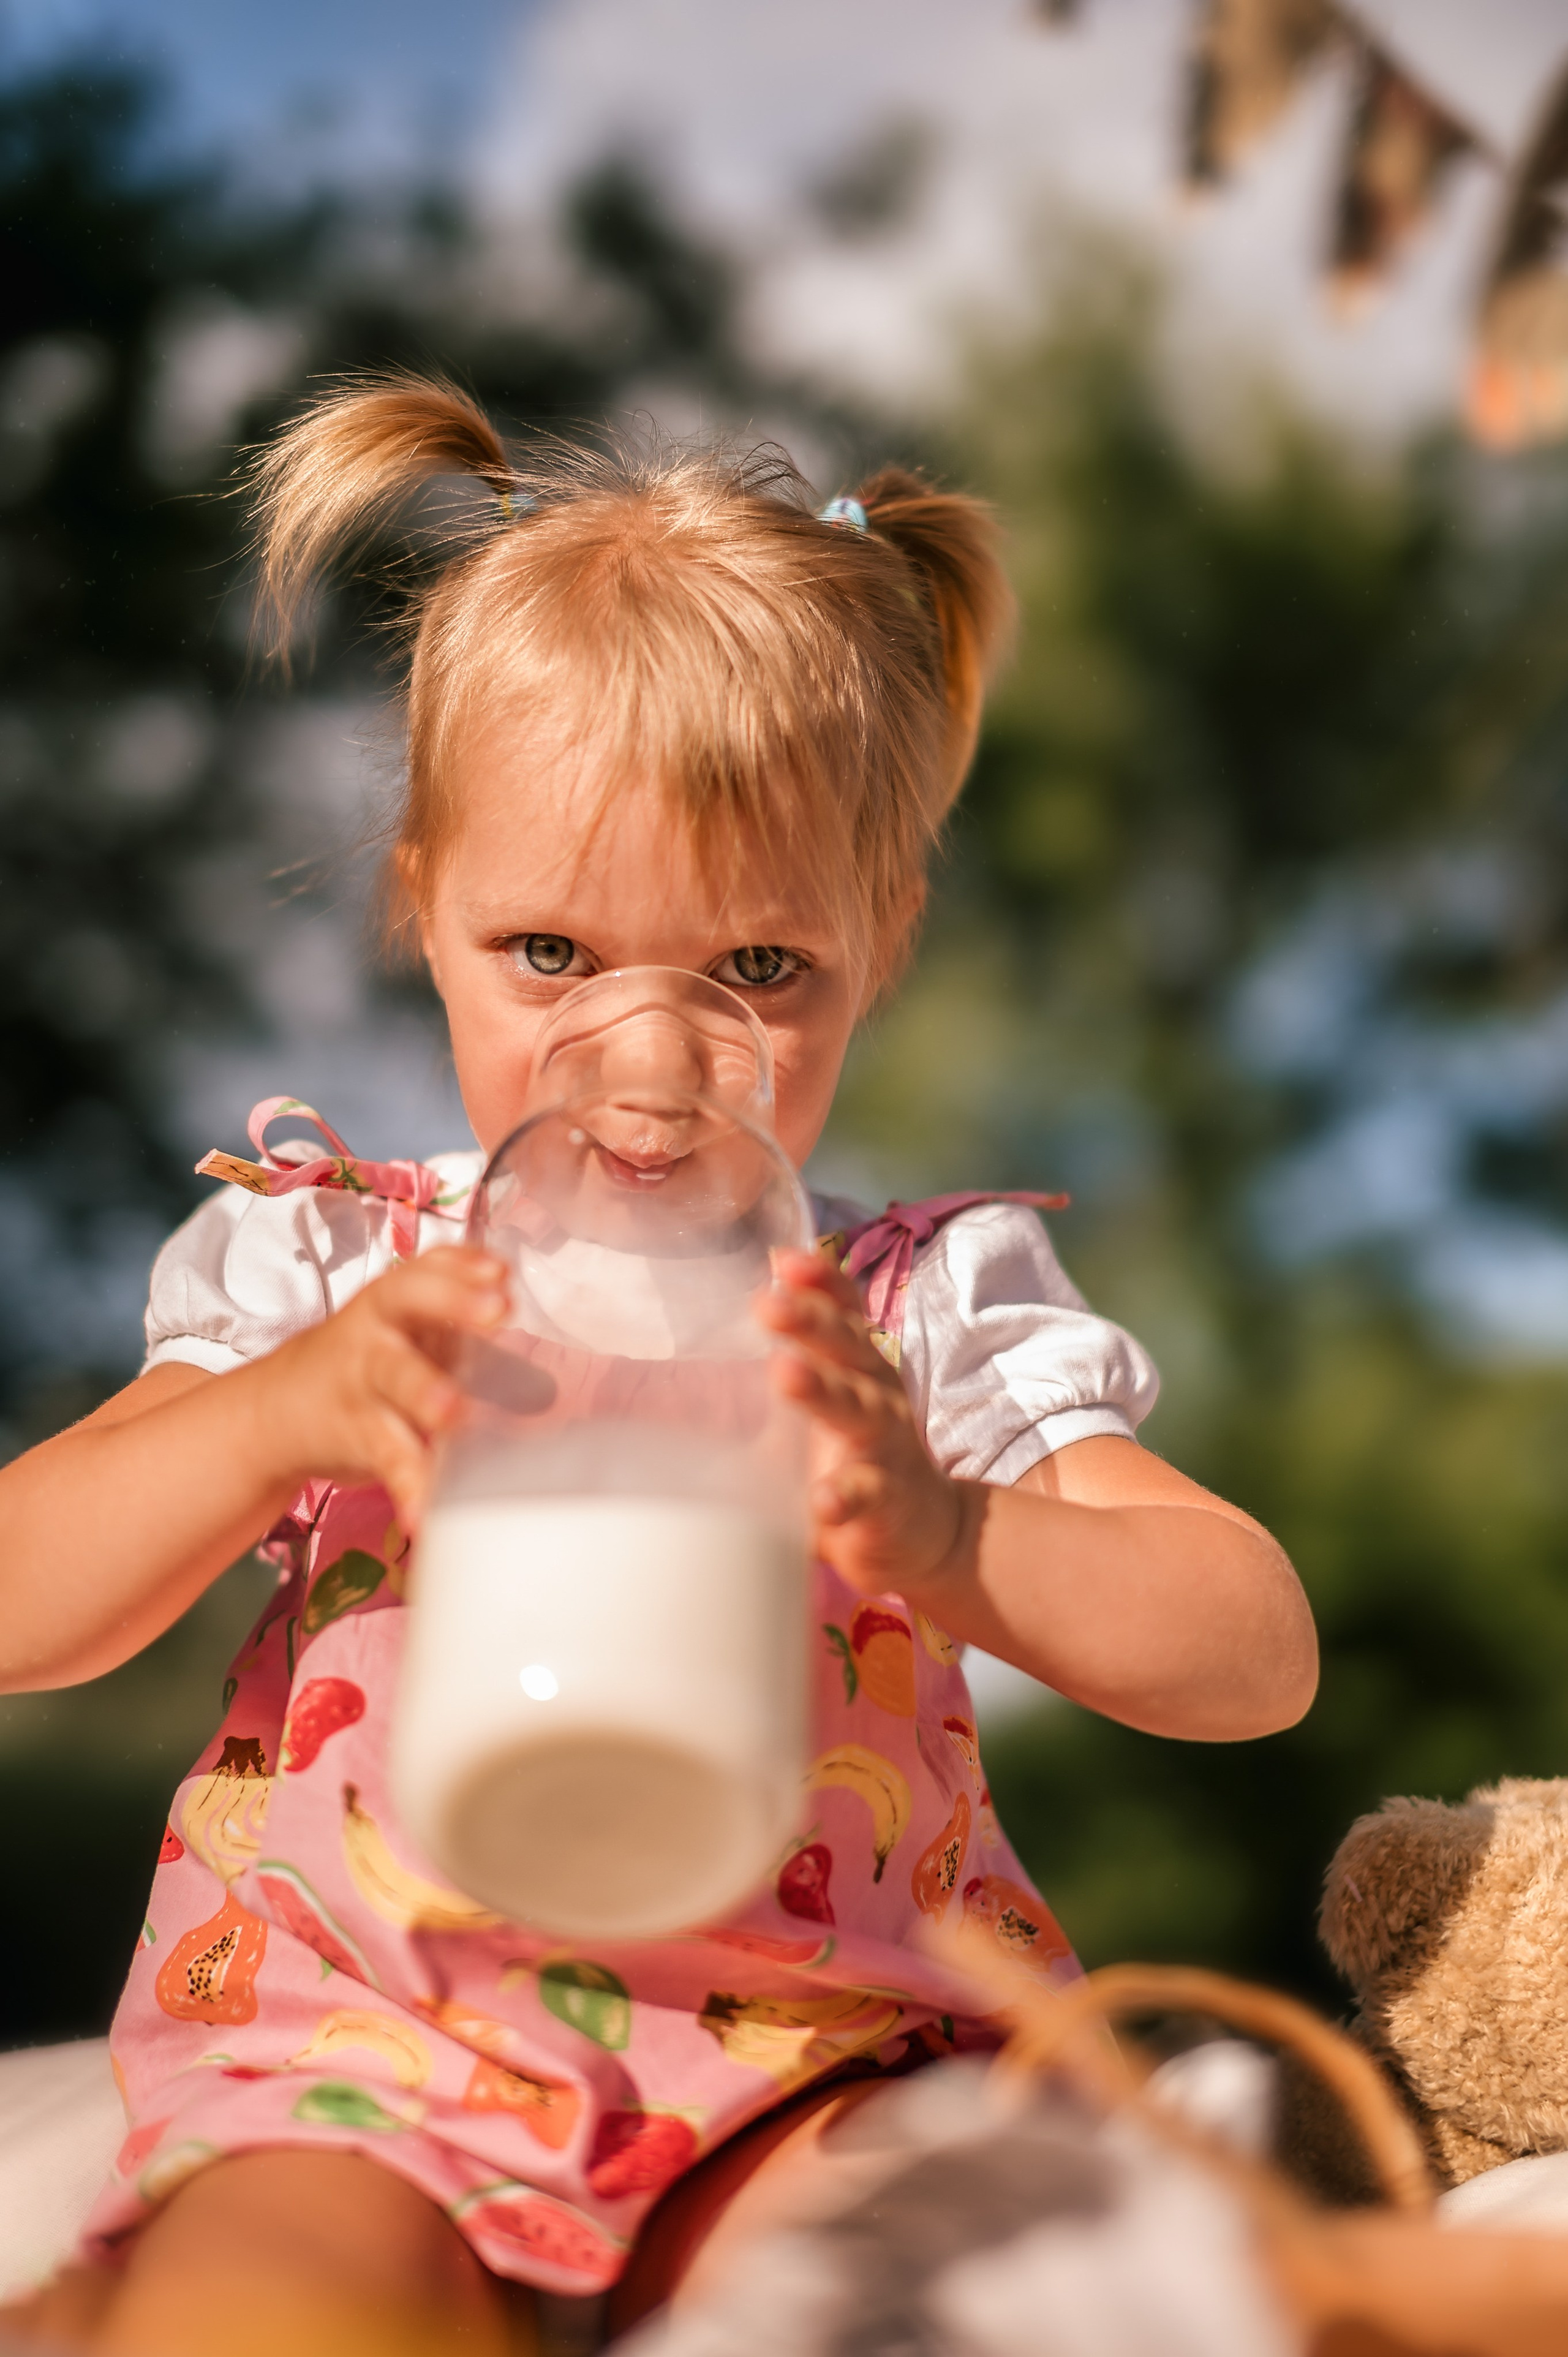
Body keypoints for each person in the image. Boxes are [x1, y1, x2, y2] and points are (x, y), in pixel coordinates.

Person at [0, 380, 1317, 2357]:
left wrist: (951, 1528)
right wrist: (271, 1421)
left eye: (757, 972)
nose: (647, 1061)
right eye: (549, 954)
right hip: (357, 2053)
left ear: (883, 938)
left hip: (812, 2049)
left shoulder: (912, 1311)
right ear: (416, 902)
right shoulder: (336, 1266)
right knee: (265, 2302)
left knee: (961, 2287)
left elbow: (1253, 1652)